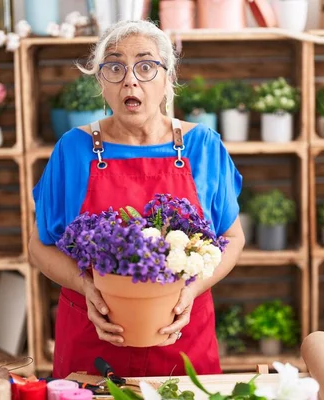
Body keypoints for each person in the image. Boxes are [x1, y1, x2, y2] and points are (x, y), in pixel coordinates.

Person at [28, 19, 245, 379]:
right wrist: (86, 286)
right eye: (115, 67)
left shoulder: (202, 146)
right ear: (101, 81)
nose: (130, 79)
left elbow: (233, 239)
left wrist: (192, 290)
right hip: (92, 337)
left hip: (181, 337)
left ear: (167, 78)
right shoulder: (73, 149)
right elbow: (38, 246)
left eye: (146, 66)